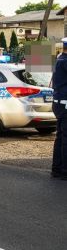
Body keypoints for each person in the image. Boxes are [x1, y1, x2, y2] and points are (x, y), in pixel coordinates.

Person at [51, 37, 67, 180]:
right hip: (65, 104)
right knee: (65, 138)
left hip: (59, 104)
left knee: (60, 137)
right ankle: (64, 171)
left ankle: (57, 169)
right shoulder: (65, 62)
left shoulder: (59, 59)